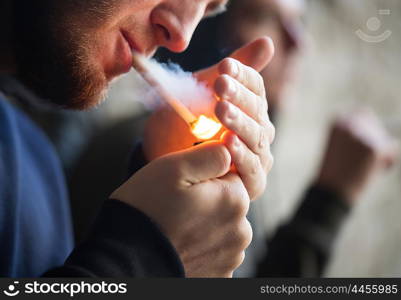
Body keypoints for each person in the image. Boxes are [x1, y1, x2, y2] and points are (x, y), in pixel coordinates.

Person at [0, 0, 276, 278]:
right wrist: (146, 261)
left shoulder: (37, 165)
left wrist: (155, 173)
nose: (181, 37)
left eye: (207, 10)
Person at [155, 0, 399, 276]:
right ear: (205, 28)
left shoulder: (225, 151)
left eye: (299, 22)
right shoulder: (163, 156)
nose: (299, 41)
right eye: (262, 17)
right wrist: (328, 200)